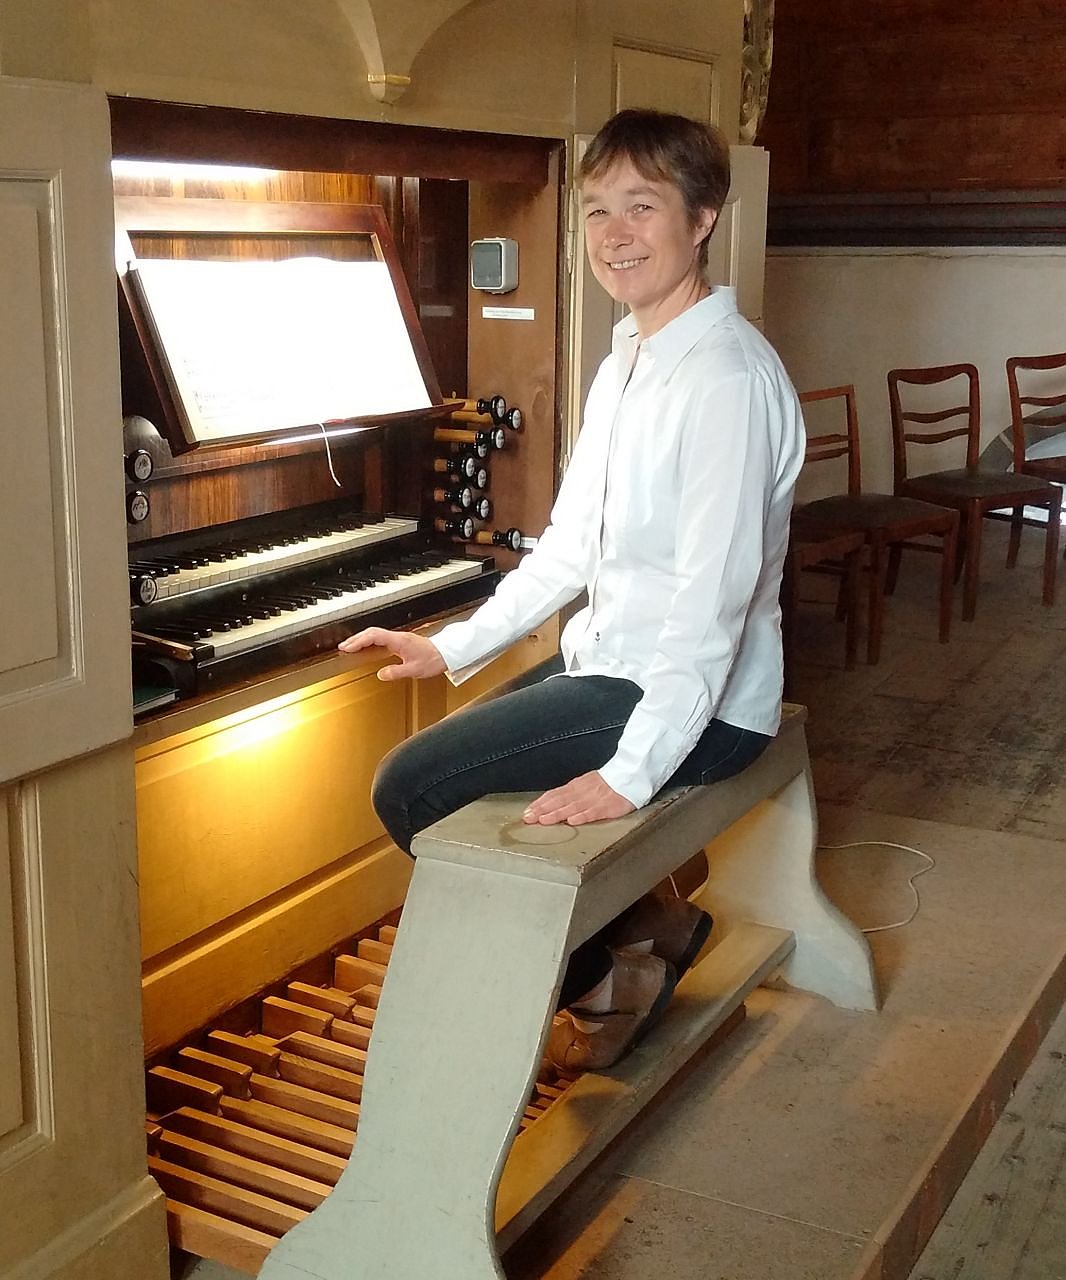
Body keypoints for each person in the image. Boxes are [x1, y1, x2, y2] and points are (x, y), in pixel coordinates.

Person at [338, 107, 805, 1071]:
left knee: (409, 787)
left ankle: (600, 977)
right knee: (442, 777)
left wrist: (628, 776)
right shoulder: (630, 356)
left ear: (702, 217)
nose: (614, 235)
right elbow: (568, 549)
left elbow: (710, 609)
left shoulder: (723, 381)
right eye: (596, 210)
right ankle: (648, 932)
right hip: (618, 664)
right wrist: (451, 645)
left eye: (642, 206)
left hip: (706, 701)